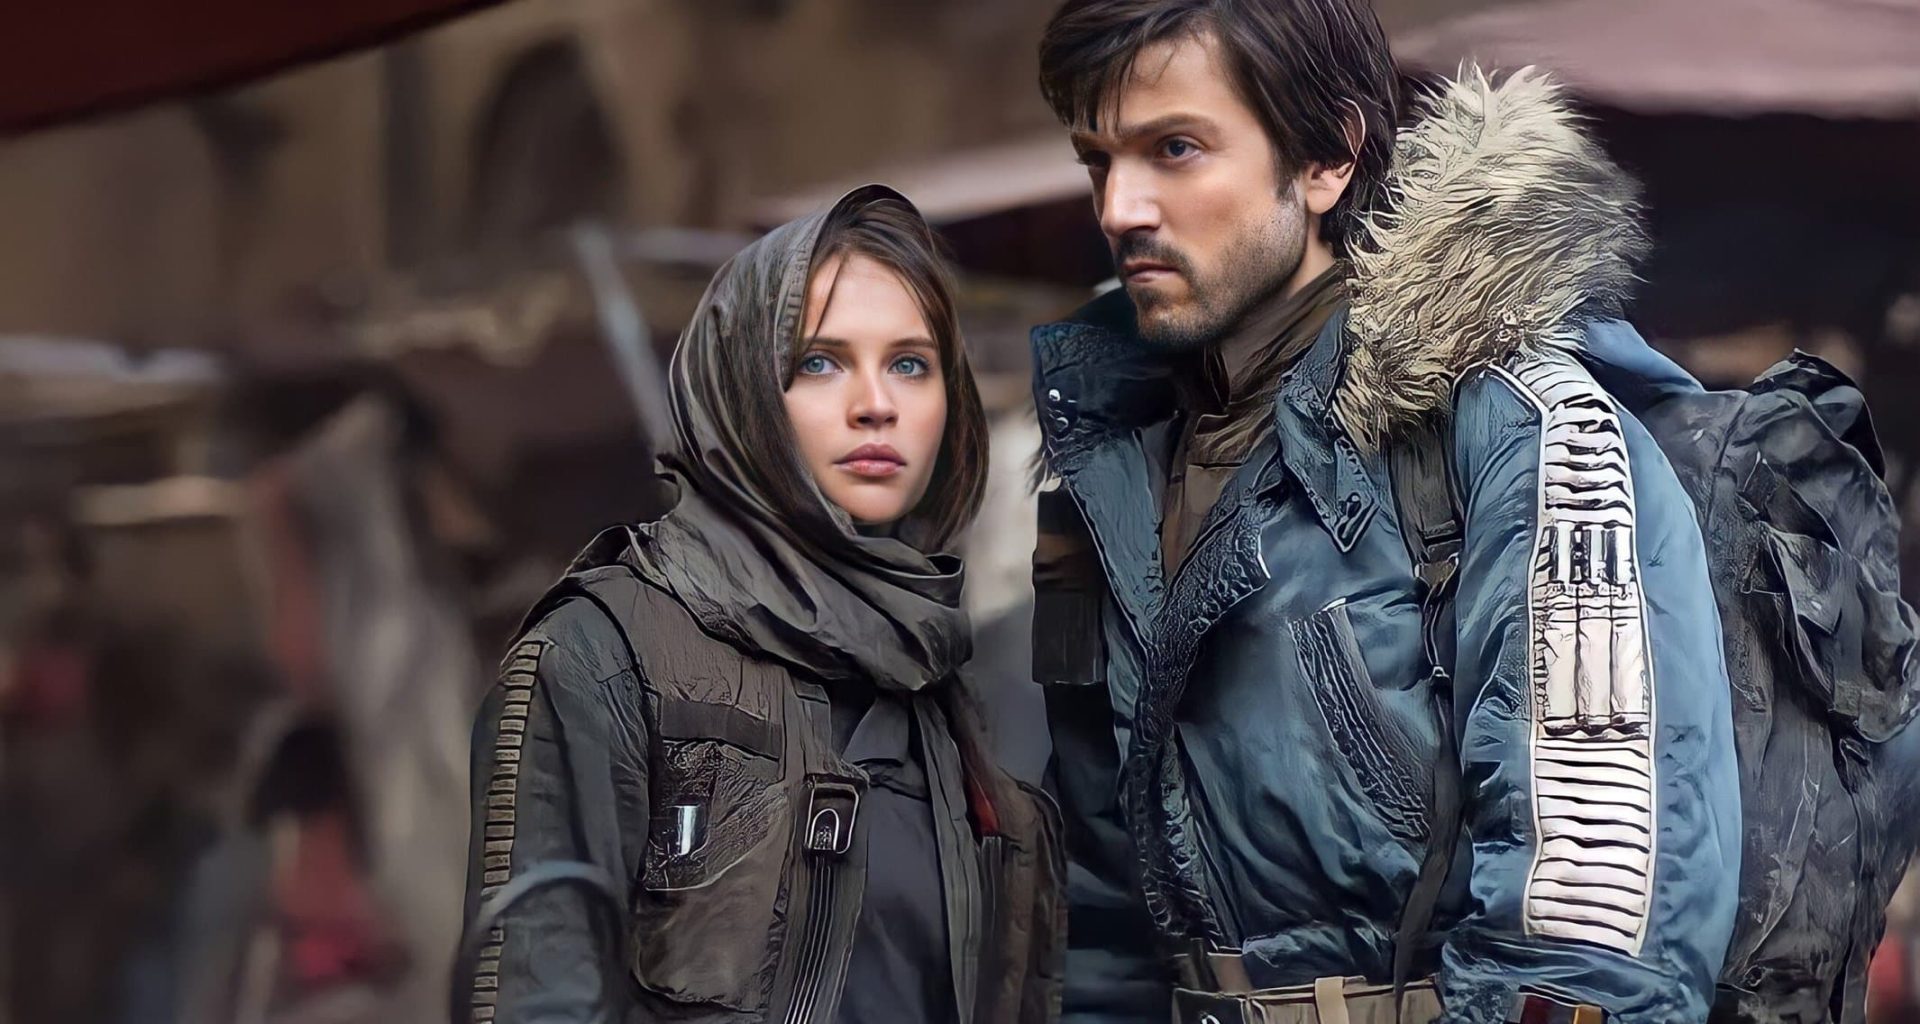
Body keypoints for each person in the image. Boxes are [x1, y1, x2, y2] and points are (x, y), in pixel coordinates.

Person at [1027, 2, 1741, 1022]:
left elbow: (1589, 928)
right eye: (1097, 161)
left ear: (1327, 158)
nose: (1120, 207)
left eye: (1175, 149)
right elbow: (1101, 922)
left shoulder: (1518, 431)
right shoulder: (1106, 469)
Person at [462, 185, 1064, 1024]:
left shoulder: (939, 687)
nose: (876, 403)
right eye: (820, 362)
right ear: (743, 388)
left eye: (909, 364)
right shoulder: (605, 654)